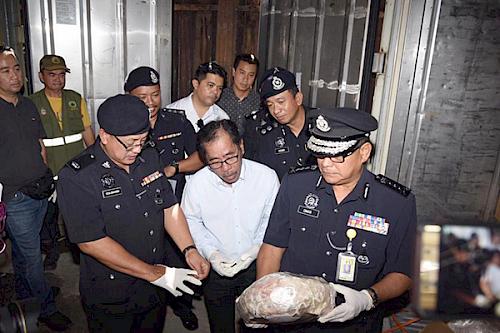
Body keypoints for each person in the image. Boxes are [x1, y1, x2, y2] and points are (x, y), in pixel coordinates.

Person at [57, 94, 210, 332]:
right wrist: (155, 273)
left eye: (143, 140)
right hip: (113, 292)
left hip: (154, 288)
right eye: (130, 143)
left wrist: (189, 249)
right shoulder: (78, 176)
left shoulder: (148, 157)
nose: (137, 149)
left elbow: (168, 207)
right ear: (105, 135)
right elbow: (90, 242)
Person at [257, 107, 417, 332]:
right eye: (320, 153)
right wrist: (264, 301)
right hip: (293, 318)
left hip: (355, 322)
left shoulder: (396, 203)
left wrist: (367, 299)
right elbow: (272, 247)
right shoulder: (295, 185)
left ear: (364, 152)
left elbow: (403, 272)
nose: (325, 163)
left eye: (337, 154)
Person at [181, 119, 280, 333]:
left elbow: (271, 220)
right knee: (220, 325)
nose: (226, 169)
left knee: (257, 322)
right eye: (215, 162)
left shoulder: (266, 177)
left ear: (241, 146)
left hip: (258, 264)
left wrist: (255, 249)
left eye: (230, 158)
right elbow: (191, 221)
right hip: (215, 269)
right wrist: (212, 253)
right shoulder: (197, 184)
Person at [125, 66, 204, 330]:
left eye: (155, 95)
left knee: (177, 260)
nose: (150, 103)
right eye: (142, 97)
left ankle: (183, 307)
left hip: (173, 208)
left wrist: (174, 168)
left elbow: (200, 156)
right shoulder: (122, 127)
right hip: (137, 210)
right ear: (128, 96)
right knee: (143, 261)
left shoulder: (176, 121)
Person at [0, 46, 72, 331]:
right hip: (15, 197)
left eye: (16, 69)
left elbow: (40, 144)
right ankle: (45, 308)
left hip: (40, 189)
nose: (14, 76)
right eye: (5, 71)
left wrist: (47, 176)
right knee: (31, 257)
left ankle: (27, 292)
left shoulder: (27, 105)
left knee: (22, 253)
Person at [29, 54, 96, 270]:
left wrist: (96, 159)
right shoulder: (31, 103)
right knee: (48, 215)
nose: (57, 79)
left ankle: (81, 249)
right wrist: (41, 170)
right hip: (49, 168)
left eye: (61, 74)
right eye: (51, 75)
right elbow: (35, 140)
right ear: (41, 76)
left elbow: (87, 132)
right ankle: (51, 250)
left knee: (77, 212)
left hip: (76, 167)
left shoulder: (75, 98)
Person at [244, 67, 313, 180]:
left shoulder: (322, 126)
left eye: (281, 102)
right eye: (270, 104)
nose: (276, 110)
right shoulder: (260, 131)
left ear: (298, 98)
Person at [167, 61, 229, 132]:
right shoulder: (172, 112)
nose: (215, 92)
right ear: (196, 84)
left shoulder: (222, 118)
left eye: (220, 88)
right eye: (210, 85)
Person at [217, 53, 260, 135]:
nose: (245, 79)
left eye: (251, 75)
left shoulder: (259, 101)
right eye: (242, 73)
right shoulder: (219, 97)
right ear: (234, 72)